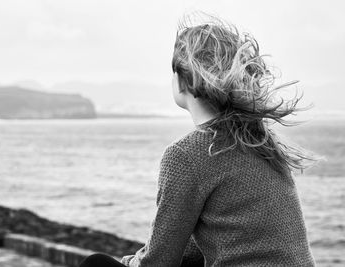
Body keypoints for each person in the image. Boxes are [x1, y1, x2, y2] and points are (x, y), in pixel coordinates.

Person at [80, 13, 317, 267]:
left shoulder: (186, 155)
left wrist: (131, 262)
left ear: (184, 81)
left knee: (96, 264)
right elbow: (196, 244)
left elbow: (161, 261)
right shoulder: (259, 140)